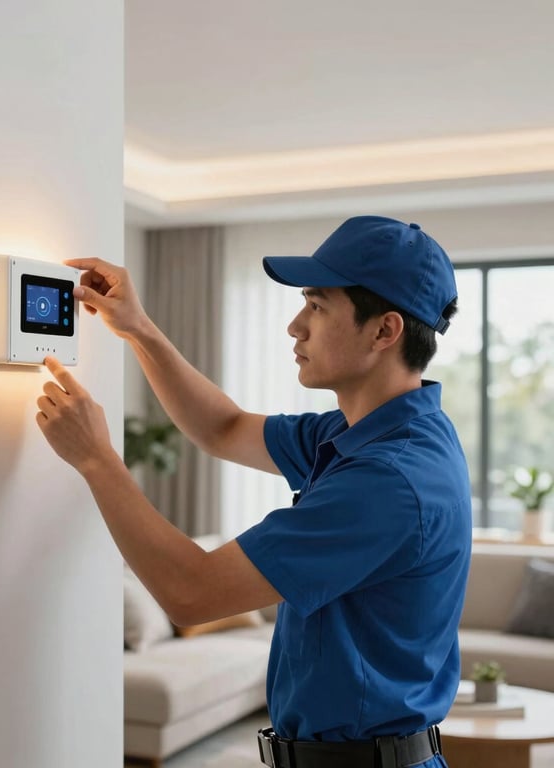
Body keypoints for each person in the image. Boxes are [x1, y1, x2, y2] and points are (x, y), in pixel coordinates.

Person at [35, 215, 472, 768]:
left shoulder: (390, 478)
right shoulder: (360, 432)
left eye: (317, 306)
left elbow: (192, 593)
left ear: (384, 332)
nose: (296, 326)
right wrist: (137, 328)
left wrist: (97, 459)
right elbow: (224, 427)